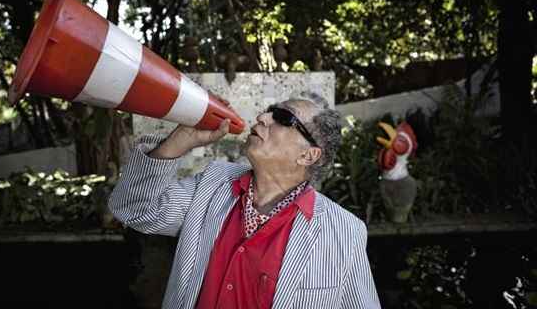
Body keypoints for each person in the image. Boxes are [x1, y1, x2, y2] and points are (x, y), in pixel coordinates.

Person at [108, 94, 381, 309]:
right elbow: (135, 209)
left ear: (308, 156)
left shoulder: (344, 231)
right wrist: (180, 142)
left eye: (283, 117)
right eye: (268, 110)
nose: (262, 117)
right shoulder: (212, 184)